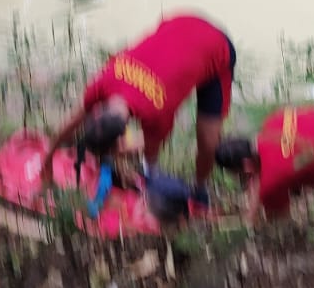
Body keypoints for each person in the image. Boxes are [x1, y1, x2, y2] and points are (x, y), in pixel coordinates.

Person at [42, 13, 236, 215]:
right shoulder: (103, 81)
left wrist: (144, 177)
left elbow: (150, 154)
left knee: (208, 142)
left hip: (216, 47)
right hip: (179, 24)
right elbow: (74, 120)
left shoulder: (156, 110)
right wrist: (47, 159)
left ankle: (199, 191)